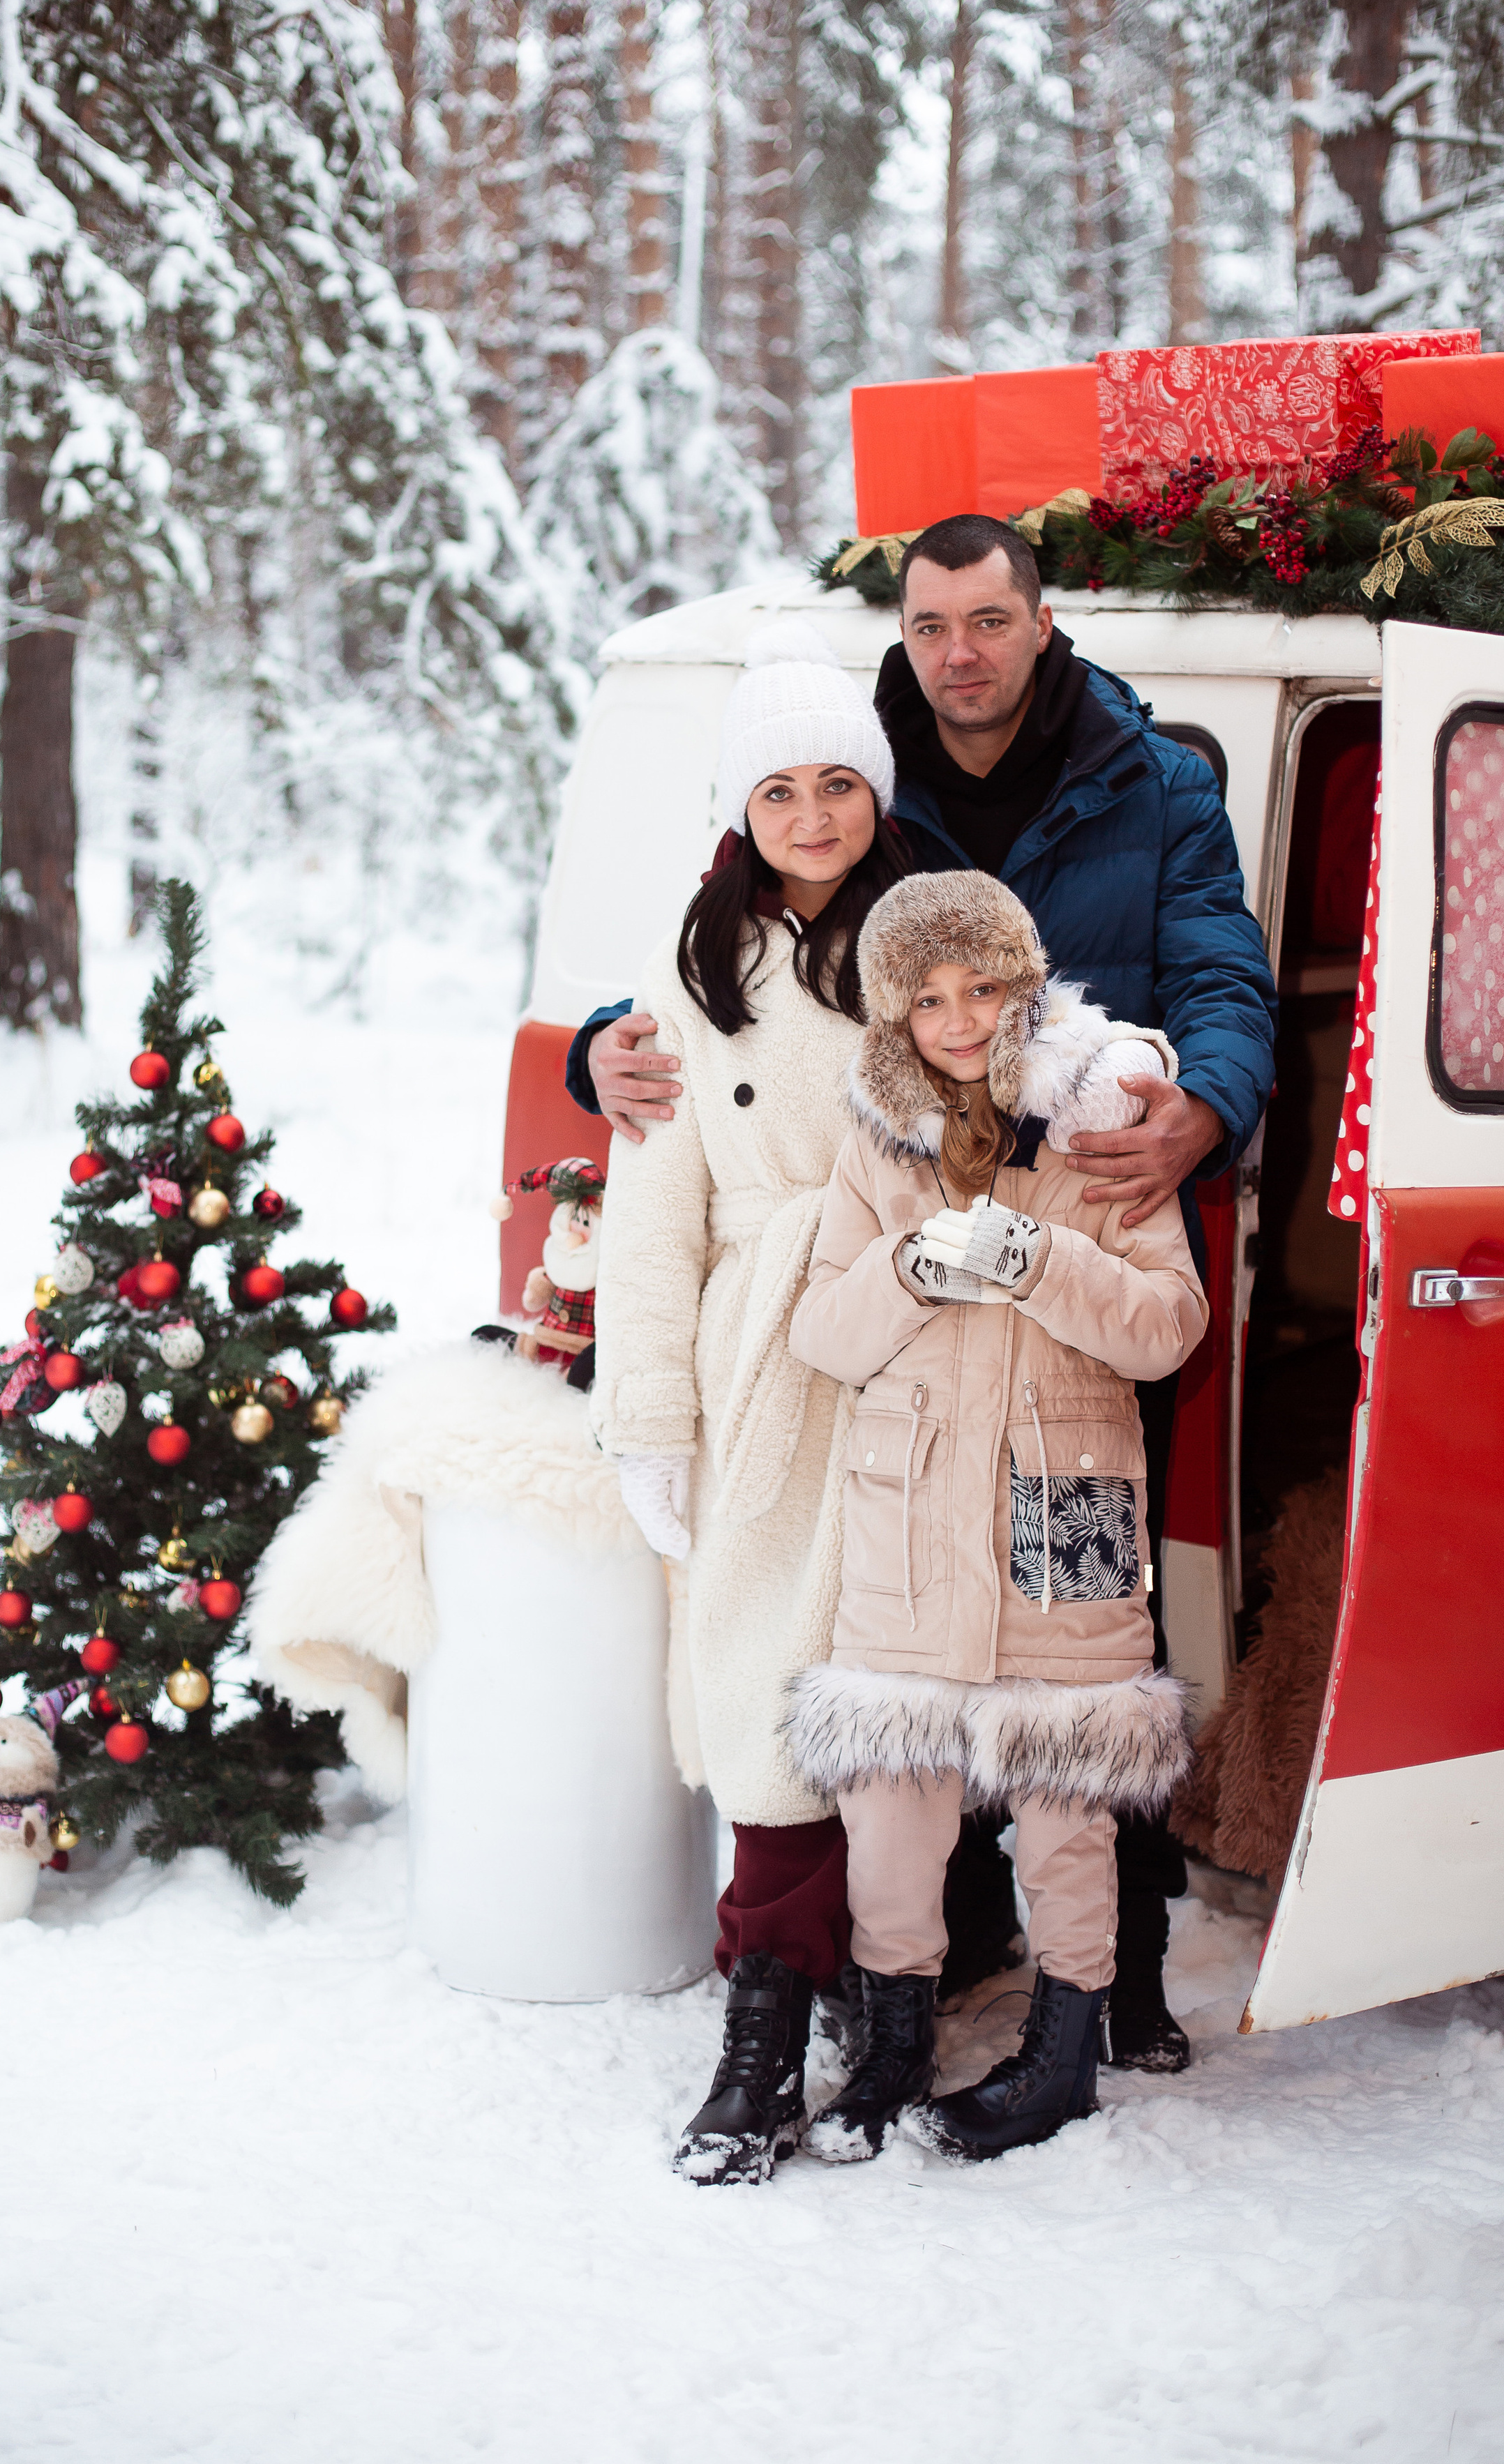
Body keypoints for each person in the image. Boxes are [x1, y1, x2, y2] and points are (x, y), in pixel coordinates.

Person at [569, 515, 1277, 2068]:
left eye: (986, 618)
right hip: (870, 1317)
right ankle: (900, 1967)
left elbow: (1214, 973)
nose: (956, 649)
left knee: (1083, 1637)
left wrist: (1192, 1096)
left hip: (1072, 1271)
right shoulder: (847, 771)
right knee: (879, 1634)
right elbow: (709, 983)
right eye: (930, 621)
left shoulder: (1147, 789)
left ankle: (1111, 1975)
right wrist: (593, 1050)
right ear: (902, 634)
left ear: (1039, 622)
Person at [783, 871, 1205, 2165]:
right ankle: (892, 2041)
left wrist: (1040, 1263)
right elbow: (822, 1332)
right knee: (894, 1806)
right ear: (893, 1019)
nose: (961, 1020)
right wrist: (913, 1266)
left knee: (1069, 1789)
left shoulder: (1104, 1112)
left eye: (984, 989)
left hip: (1064, 1500)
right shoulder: (876, 1143)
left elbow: (1169, 1324)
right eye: (929, 999)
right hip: (908, 1514)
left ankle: (1064, 2050)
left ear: (1026, 985)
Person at [590, 622, 908, 2186]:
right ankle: (767, 2010)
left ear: (873, 790)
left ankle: (886, 1977)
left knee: (898, 1677)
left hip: (915, 1338)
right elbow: (650, 1207)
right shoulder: (695, 957)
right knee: (767, 1680)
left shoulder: (929, 932)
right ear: (741, 807)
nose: (809, 815)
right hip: (756, 1352)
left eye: (836, 782)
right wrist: (649, 1409)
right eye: (776, 789)